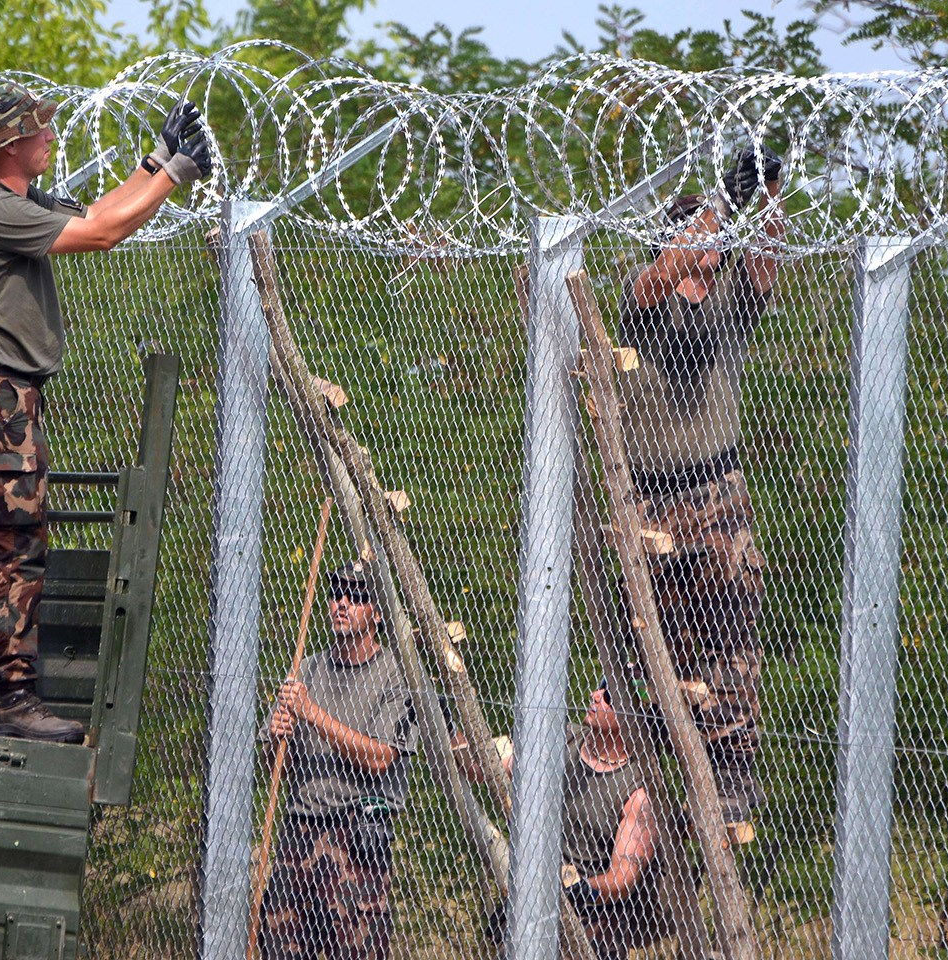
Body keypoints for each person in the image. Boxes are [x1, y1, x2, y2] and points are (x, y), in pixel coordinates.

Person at [0, 81, 212, 741]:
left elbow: (99, 212)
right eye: (39, 131)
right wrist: (180, 174)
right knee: (14, 548)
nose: (50, 138)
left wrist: (155, 163)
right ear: (10, 145)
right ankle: (13, 700)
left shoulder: (9, 200)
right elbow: (102, 235)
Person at [615, 143, 787, 826]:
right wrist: (722, 202)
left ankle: (733, 776)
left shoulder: (726, 308)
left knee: (732, 643)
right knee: (661, 646)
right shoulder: (646, 296)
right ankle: (661, 782)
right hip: (653, 502)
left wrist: (769, 191)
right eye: (698, 235)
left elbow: (766, 264)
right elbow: (665, 272)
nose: (711, 247)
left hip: (715, 494)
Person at [260, 561, 418, 960]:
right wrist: (277, 735)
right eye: (336, 593)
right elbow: (268, 764)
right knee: (280, 947)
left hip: (355, 835)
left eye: (357, 595)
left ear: (378, 613)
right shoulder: (307, 668)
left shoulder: (397, 676)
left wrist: (311, 713)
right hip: (299, 832)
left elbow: (381, 758)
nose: (341, 603)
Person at [458, 680, 663, 960]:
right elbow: (484, 768)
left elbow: (622, 877)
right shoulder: (565, 738)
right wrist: (450, 730)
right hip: (535, 891)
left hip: (591, 917)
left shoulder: (638, 790)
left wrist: (581, 891)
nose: (595, 695)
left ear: (633, 713)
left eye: (609, 695)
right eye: (600, 687)